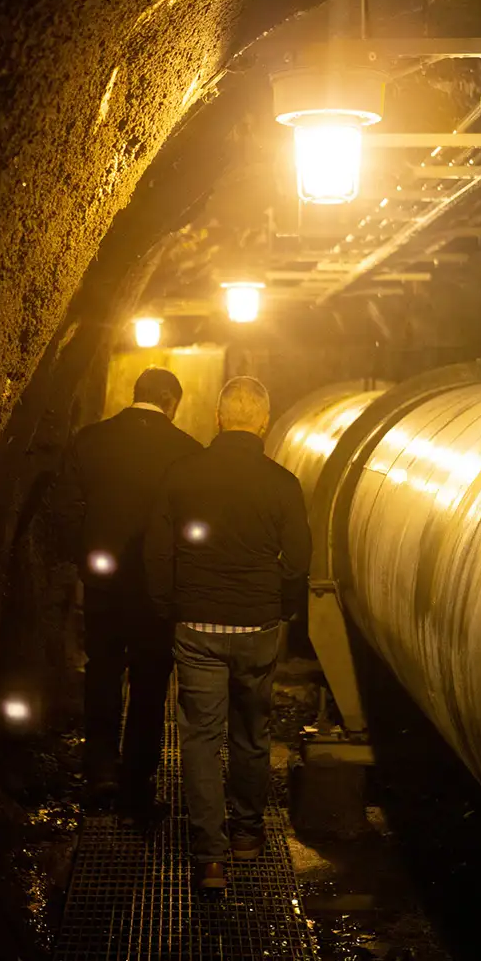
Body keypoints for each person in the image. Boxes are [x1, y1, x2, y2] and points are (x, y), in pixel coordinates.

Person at [144, 376, 310, 890]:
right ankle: (246, 834)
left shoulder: (182, 474)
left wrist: (170, 606)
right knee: (251, 733)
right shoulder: (283, 483)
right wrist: (278, 609)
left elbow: (158, 551)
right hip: (258, 626)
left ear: (218, 419)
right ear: (263, 421)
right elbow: (299, 561)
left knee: (199, 738)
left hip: (196, 626)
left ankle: (209, 855)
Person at [55, 367, 202, 824]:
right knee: (149, 682)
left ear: (133, 395)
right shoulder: (187, 453)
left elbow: (64, 508)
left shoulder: (90, 441)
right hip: (156, 590)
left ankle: (100, 771)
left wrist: (84, 556)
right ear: (171, 402)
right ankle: (137, 782)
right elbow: (194, 528)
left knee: (101, 671)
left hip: (103, 583)